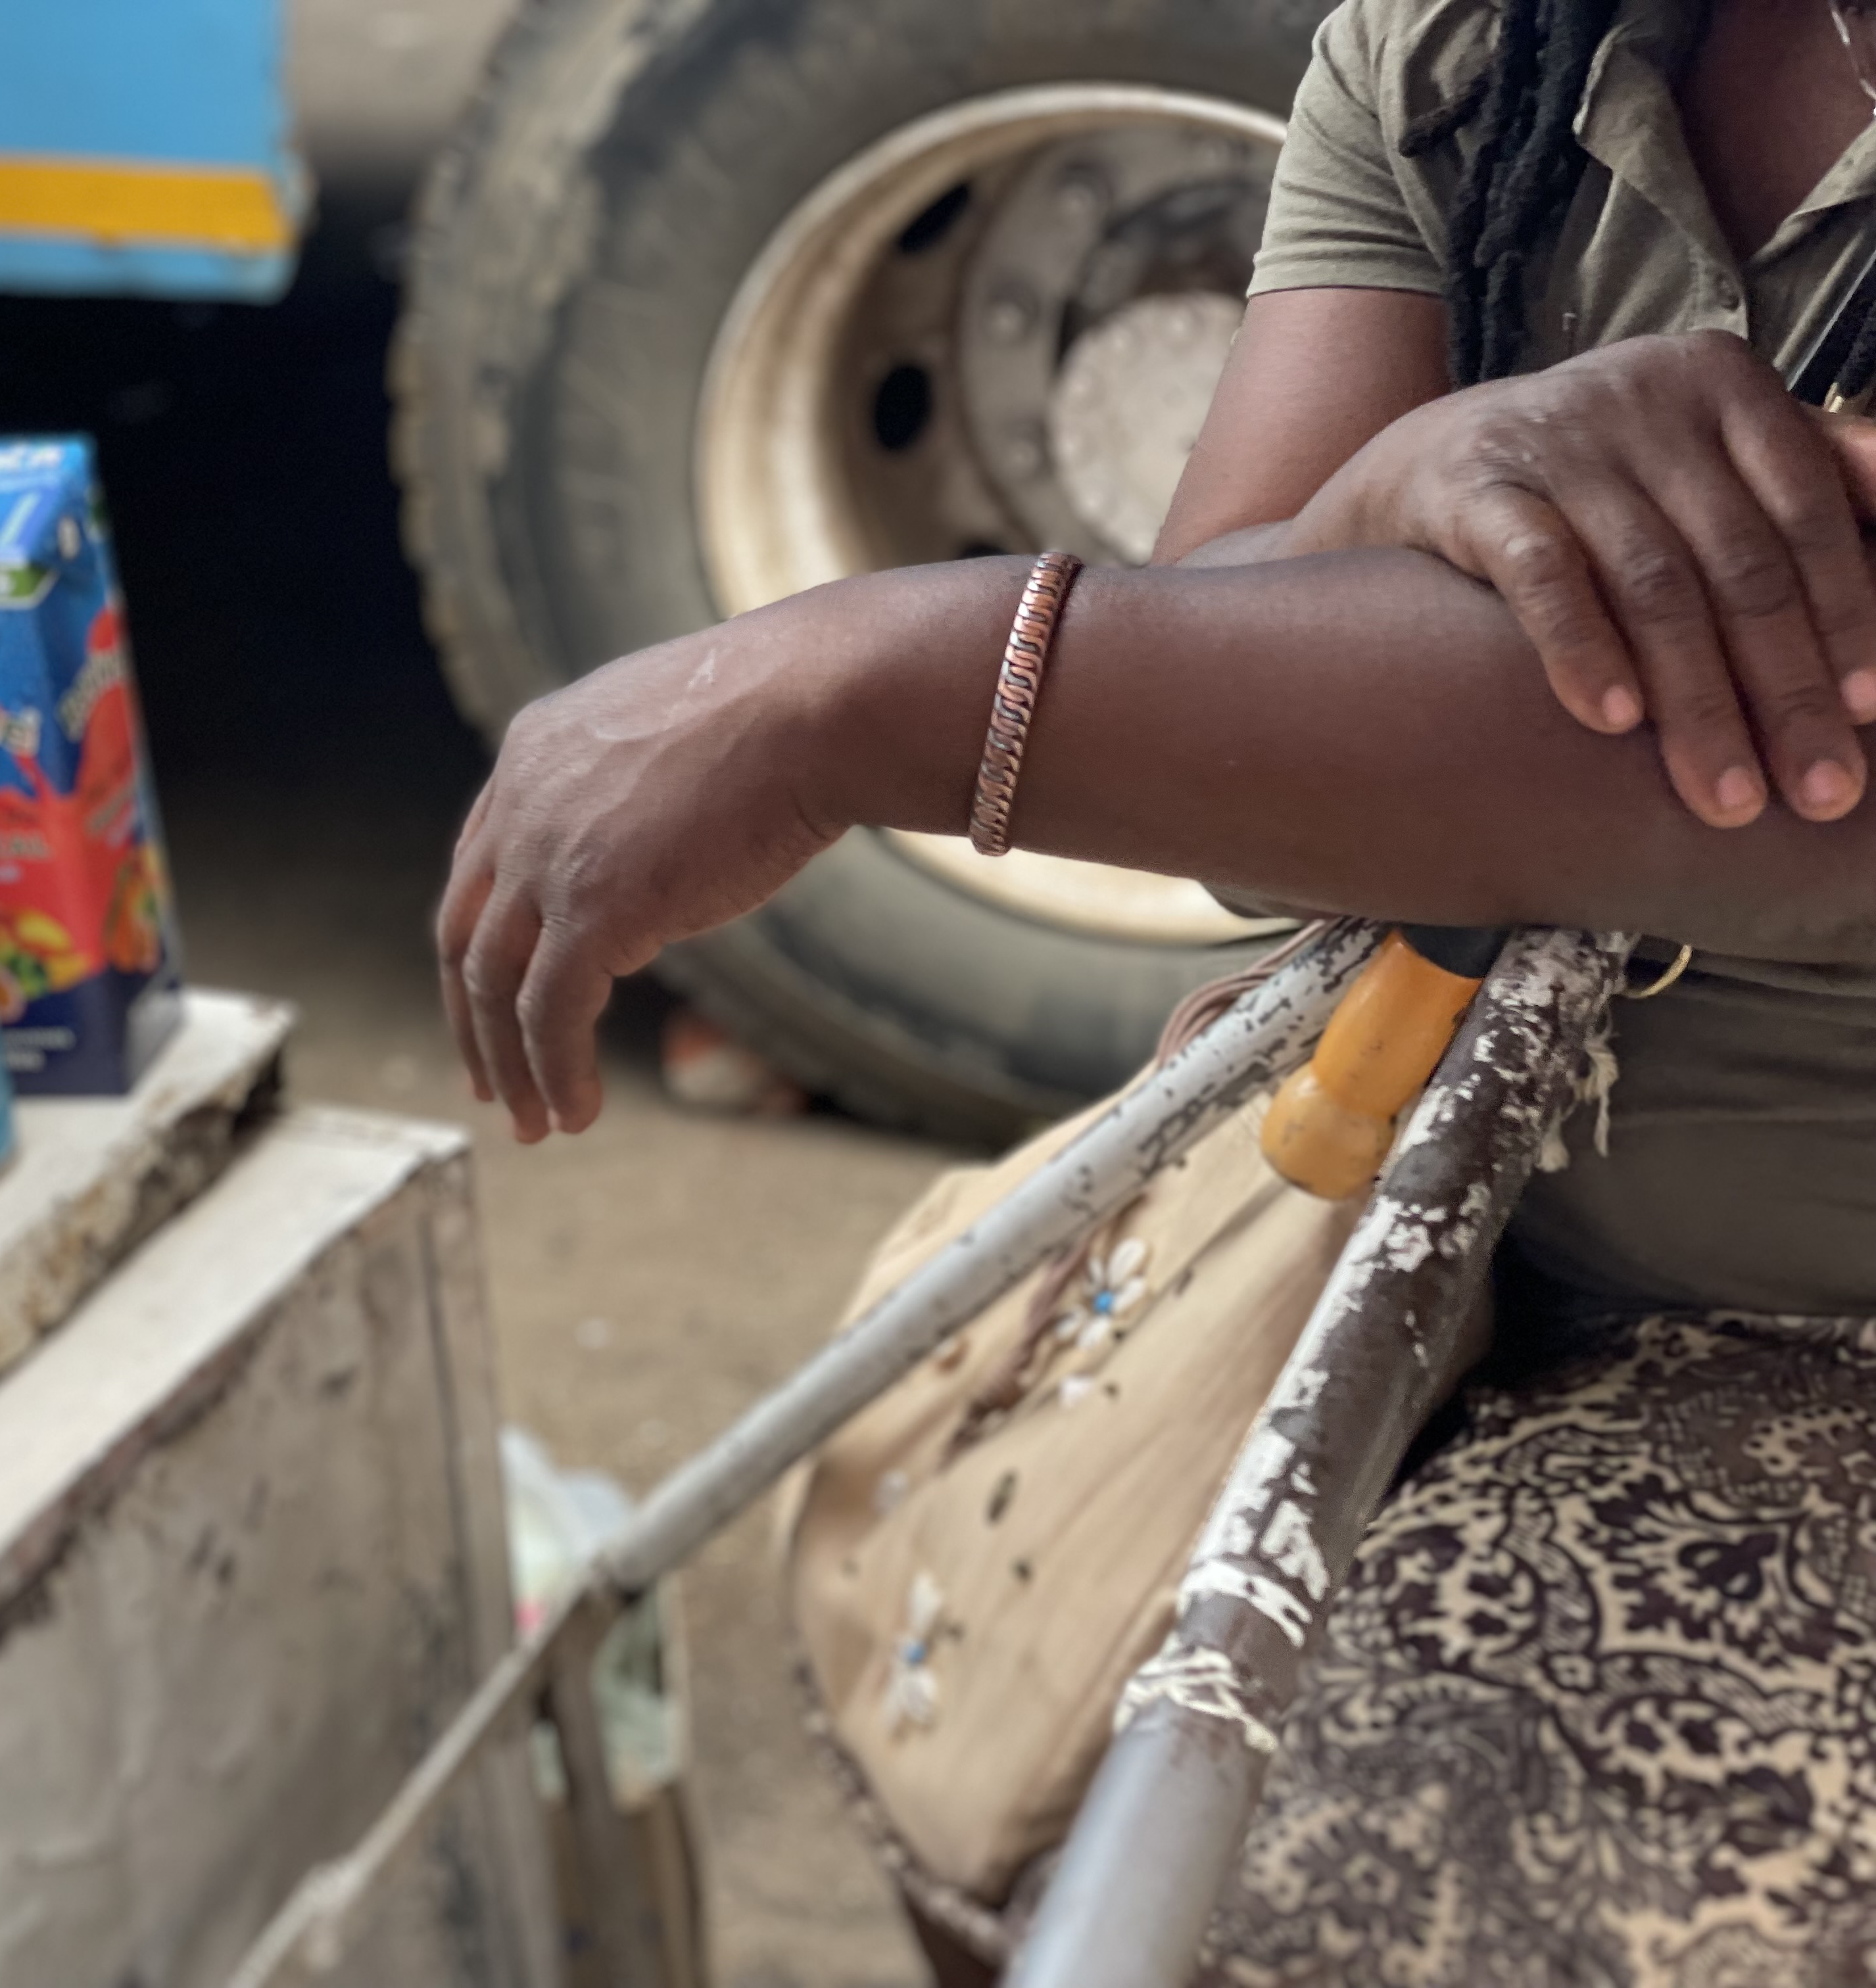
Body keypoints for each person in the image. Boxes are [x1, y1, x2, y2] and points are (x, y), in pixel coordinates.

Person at [439, 0, 1876, 1977]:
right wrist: (1418, 483)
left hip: (1798, 1332)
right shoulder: (1477, 50)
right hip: (1468, 1213)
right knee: (966, 1593)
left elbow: (1760, 773)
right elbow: (1240, 747)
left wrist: (862, 687)